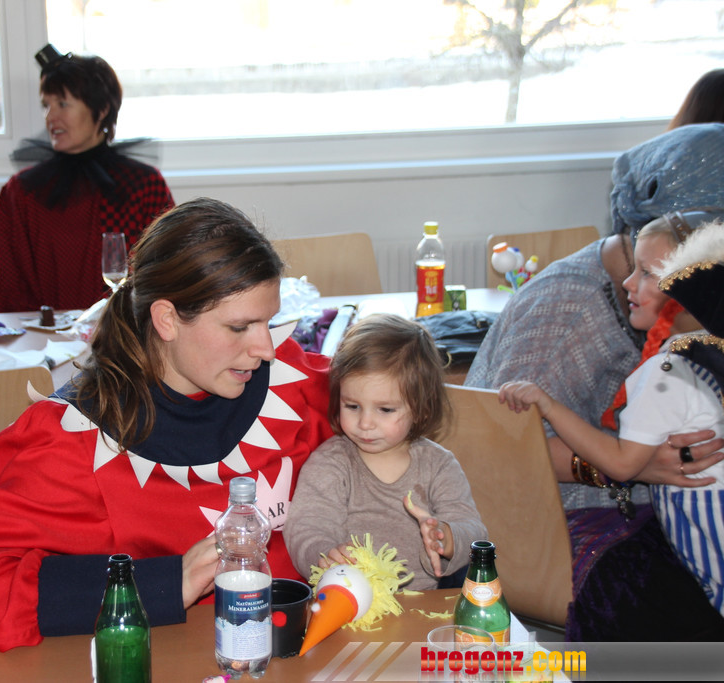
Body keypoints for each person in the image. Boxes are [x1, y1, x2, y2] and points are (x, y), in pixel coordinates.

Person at [0, 197, 334, 651]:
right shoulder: (76, 441)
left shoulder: (291, 382)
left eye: (268, 322)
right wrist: (159, 584)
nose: (266, 348)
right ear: (167, 319)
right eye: (239, 327)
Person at [467, 123, 724, 641]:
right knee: (684, 616)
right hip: (556, 524)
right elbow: (500, 449)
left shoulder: (675, 313)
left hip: (648, 506)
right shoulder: (564, 319)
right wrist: (630, 464)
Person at [500, 219, 724, 615]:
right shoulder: (699, 355)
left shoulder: (668, 370)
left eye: (649, 273)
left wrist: (549, 405)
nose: (627, 282)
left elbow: (622, 462)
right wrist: (644, 464)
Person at [284, 315, 485, 590]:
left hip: (423, 604)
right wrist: (323, 554)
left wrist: (447, 537)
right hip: (348, 602)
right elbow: (306, 527)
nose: (365, 423)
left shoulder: (438, 465)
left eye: (385, 409)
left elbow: (473, 530)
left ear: (421, 409)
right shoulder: (330, 463)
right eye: (352, 406)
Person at [0, 44, 175, 313]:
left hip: (122, 333)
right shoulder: (20, 192)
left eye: (63, 104)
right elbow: (7, 287)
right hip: (41, 335)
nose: (51, 117)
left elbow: (168, 271)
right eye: (46, 105)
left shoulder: (144, 186)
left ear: (102, 109)